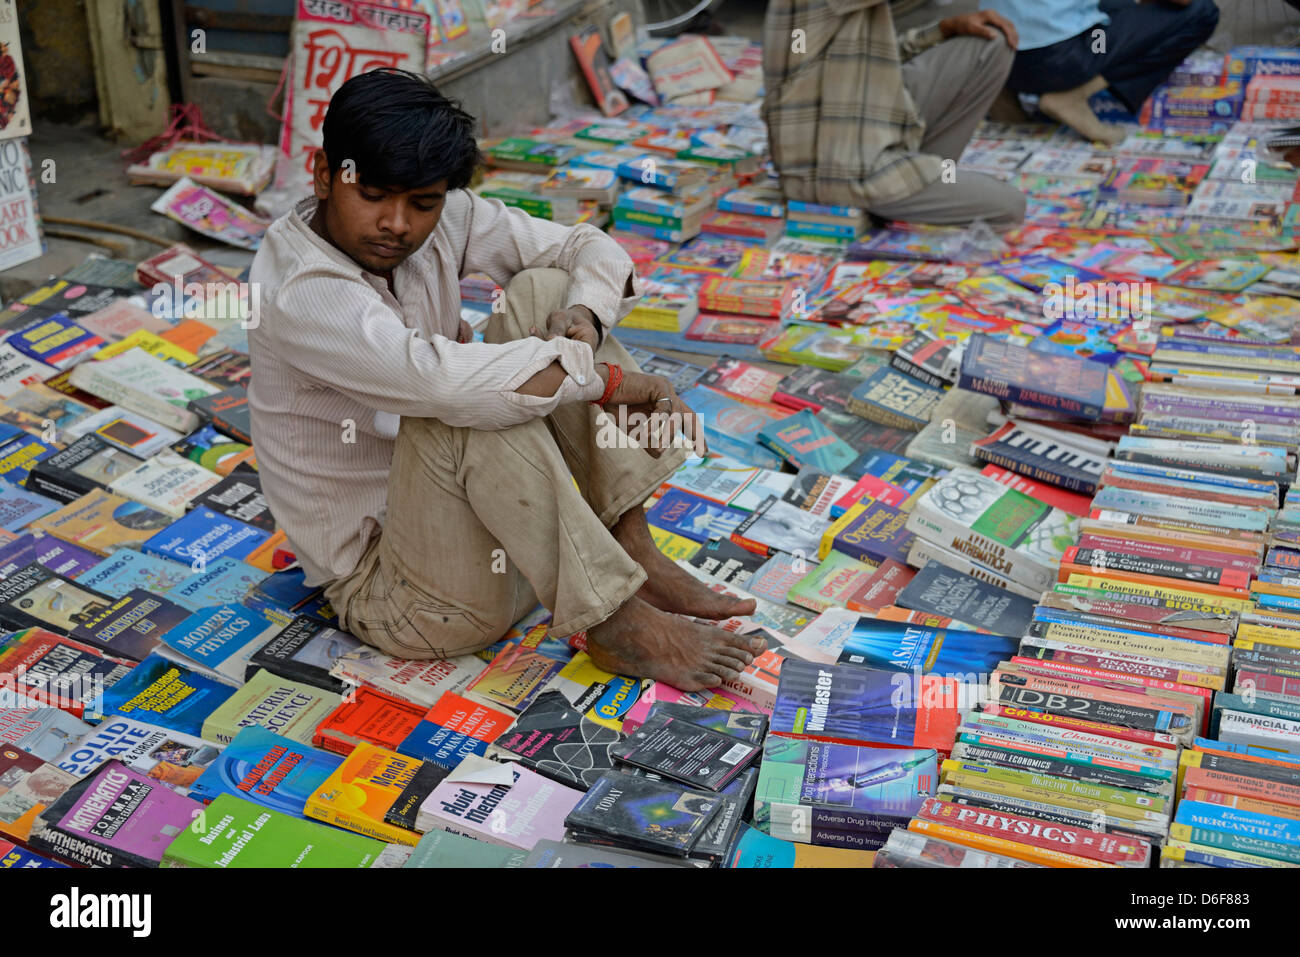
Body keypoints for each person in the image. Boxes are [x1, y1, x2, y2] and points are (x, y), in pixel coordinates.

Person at [247, 69, 765, 693]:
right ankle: (615, 618)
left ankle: (629, 544)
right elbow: (446, 388)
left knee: (546, 291)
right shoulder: (300, 288)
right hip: (412, 601)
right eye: (375, 195)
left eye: (422, 203)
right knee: (461, 405)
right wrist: (603, 382)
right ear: (325, 173)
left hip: (510, 550)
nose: (397, 224)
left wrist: (587, 319)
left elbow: (586, 248)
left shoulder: (446, 218)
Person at [762, 0, 1026, 231]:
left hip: (872, 128)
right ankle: (909, 195)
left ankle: (930, 178)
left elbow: (883, 55)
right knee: (1009, 206)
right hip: (839, 170)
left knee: (989, 43)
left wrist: (943, 29)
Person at [985, 0, 1220, 145]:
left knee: (1121, 6)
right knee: (1201, 11)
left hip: (997, 53)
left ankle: (1004, 97)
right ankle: (1071, 97)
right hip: (1056, 61)